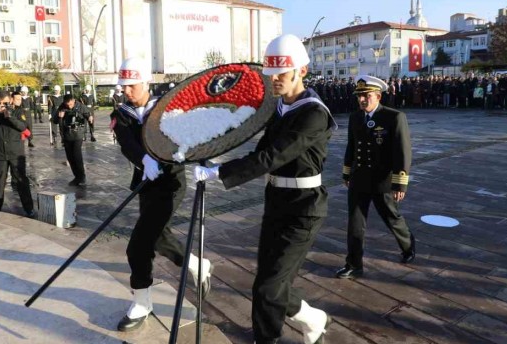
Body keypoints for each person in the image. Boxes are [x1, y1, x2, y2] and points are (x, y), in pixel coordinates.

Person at [194, 34, 333, 344]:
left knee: (271, 287)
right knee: (267, 284)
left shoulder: (313, 114)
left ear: (302, 71)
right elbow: (260, 151)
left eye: (282, 74)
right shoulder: (280, 109)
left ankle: (266, 339)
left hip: (304, 208)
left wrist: (220, 173)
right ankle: (313, 318)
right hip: (277, 202)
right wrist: (214, 154)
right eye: (272, 75)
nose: (276, 81)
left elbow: (273, 156)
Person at [111, 57, 212, 332]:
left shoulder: (167, 107)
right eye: (124, 87)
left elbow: (187, 136)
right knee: (158, 236)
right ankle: (196, 264)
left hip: (170, 184)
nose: (126, 91)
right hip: (145, 182)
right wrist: (144, 159)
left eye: (131, 86)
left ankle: (142, 303)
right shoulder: (121, 113)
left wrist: (191, 156)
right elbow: (126, 142)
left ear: (145, 82)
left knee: (139, 246)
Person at [337, 75, 416, 281]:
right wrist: (347, 172)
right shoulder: (355, 118)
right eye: (359, 96)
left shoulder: (394, 117)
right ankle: (354, 264)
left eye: (367, 96)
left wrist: (400, 183)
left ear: (378, 96)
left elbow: (402, 152)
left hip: (382, 180)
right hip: (359, 178)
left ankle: (407, 244)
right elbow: (351, 147)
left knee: (391, 218)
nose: (362, 100)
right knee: (355, 223)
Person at [0, 91, 37, 217]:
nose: (3, 104)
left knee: (21, 180)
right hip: (0, 152)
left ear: (10, 100)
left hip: (15, 152)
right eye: (1, 102)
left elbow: (23, 127)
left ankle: (29, 208)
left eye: (5, 102)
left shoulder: (19, 112)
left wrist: (9, 116)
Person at [58, 94, 89, 186]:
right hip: (67, 135)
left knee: (76, 155)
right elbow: (55, 120)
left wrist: (90, 118)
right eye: (67, 105)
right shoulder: (62, 107)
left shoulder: (81, 106)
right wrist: (60, 116)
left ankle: (82, 176)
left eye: (71, 104)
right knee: (70, 157)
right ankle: (77, 177)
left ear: (73, 100)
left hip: (78, 134)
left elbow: (88, 115)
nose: (69, 106)